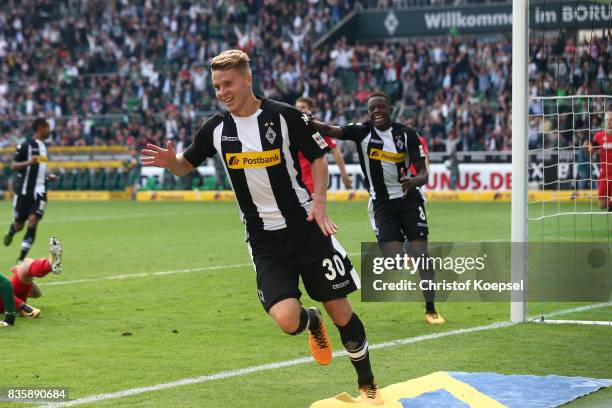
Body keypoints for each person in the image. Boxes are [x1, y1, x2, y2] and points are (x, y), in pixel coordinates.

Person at [141, 50, 383, 404]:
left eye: (228, 84)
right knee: (287, 320)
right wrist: (170, 162)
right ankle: (310, 321)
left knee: (341, 311)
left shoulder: (285, 117)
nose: (222, 92)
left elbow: (318, 157)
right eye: (216, 86)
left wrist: (318, 202)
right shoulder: (216, 129)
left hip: (307, 228)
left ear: (247, 79)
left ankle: (367, 383)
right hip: (264, 240)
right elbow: (183, 167)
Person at [312, 91, 445, 324]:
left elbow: (423, 172)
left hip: (409, 200)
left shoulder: (407, 134)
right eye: (372, 109)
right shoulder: (362, 131)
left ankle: (431, 309)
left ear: (390, 109)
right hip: (382, 204)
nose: (376, 112)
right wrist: (302, 120)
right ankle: (404, 246)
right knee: (392, 259)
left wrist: (413, 181)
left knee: (422, 255)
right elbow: (332, 130)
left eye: (380, 107)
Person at [4, 119, 57, 262]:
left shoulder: (44, 147)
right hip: (24, 191)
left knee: (33, 220)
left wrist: (49, 176)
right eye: (47, 127)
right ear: (40, 128)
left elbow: (42, 167)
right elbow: (13, 166)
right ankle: (11, 230)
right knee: (19, 225)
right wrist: (28, 162)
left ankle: (21, 258)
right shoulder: (25, 145)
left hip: (40, 191)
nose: (49, 131)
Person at [295, 97, 352, 193]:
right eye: (297, 107)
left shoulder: (315, 131)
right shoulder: (290, 129)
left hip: (311, 183)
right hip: (295, 183)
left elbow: (334, 151)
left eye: (303, 107)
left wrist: (344, 175)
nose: (299, 110)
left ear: (311, 110)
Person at [0, 237, 63, 322]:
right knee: (24, 266)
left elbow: (37, 294)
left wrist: (29, 283)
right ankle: (47, 266)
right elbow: (5, 287)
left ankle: (50, 264)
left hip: (12, 293)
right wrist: (22, 306)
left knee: (25, 264)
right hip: (8, 301)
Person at [589, 112, 612, 211]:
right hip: (605, 173)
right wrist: (589, 149)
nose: (609, 122)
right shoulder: (599, 136)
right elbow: (591, 150)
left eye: (611, 119)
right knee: (602, 205)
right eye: (607, 120)